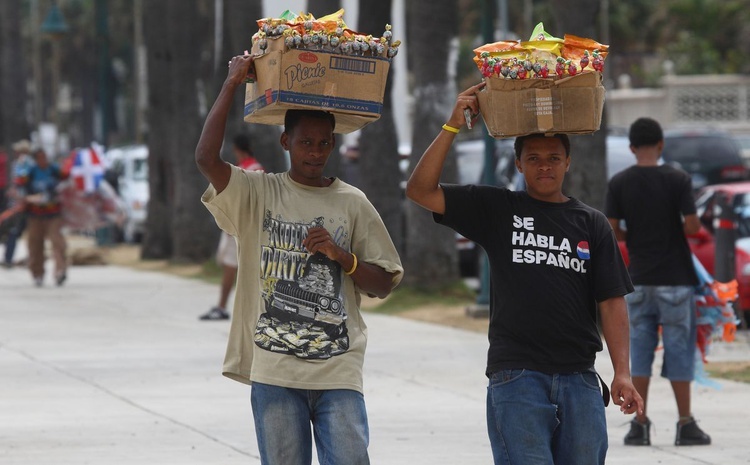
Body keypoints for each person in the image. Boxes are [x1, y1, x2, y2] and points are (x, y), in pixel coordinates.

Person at [406, 83, 644, 464]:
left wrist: (623, 373)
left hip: (580, 378)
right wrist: (451, 125)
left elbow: (612, 303)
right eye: (533, 158)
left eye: (553, 157)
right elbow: (419, 190)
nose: (544, 166)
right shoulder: (497, 209)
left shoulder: (592, 224)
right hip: (516, 378)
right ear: (518, 164)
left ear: (569, 162)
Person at [195, 53, 403, 465]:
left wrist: (343, 257)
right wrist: (232, 83)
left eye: (324, 142)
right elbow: (205, 158)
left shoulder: (352, 203)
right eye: (306, 142)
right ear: (285, 141)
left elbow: (383, 284)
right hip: (274, 373)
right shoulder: (258, 193)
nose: (316, 152)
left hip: (338, 371)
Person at [605, 117, 711, 447]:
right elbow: (693, 225)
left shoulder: (620, 182)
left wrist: (632, 233)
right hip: (676, 279)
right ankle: (685, 423)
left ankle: (639, 423)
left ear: (632, 147)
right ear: (661, 144)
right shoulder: (678, 179)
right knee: (680, 351)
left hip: (638, 278)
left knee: (639, 350)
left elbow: (611, 227)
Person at [199, 133, 265, 321]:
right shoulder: (252, 168)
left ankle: (223, 306)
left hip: (239, 225)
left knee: (232, 266)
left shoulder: (245, 169)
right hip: (243, 224)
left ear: (237, 149)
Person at [16, 146, 69, 286]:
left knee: (58, 243)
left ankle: (60, 271)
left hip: (53, 213)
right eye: (40, 157)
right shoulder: (31, 172)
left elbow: (66, 179)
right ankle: (37, 273)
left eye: (44, 156)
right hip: (35, 215)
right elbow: (20, 185)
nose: (43, 160)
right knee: (35, 245)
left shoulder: (54, 170)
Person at [1, 140, 33, 268]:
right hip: (20, 203)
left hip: (22, 203)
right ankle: (27, 258)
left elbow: (22, 183)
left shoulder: (25, 163)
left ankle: (11, 258)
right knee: (20, 232)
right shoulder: (20, 163)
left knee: (15, 231)